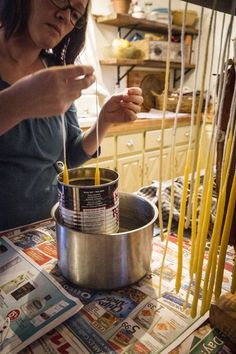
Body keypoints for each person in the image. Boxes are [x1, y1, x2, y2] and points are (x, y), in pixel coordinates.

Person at [0, 0, 143, 231]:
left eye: (75, 14)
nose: (65, 17)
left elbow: (69, 155)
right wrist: (18, 102)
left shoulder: (55, 72)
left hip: (48, 229)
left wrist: (105, 119)